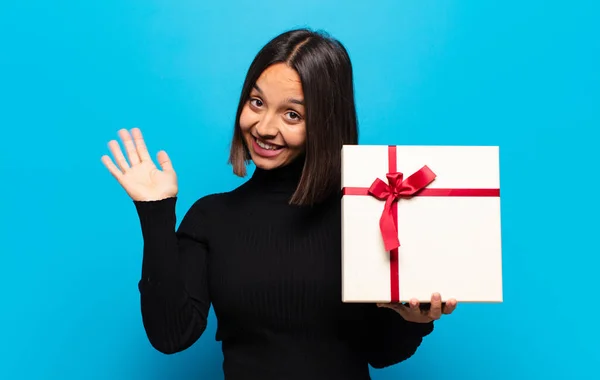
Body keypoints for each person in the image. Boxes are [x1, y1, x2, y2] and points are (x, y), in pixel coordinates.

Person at [101, 28, 457, 380]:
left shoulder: (368, 214)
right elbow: (171, 336)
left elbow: (380, 353)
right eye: (256, 102)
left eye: (292, 115)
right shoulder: (210, 217)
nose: (264, 128)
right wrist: (155, 212)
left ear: (326, 123)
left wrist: (414, 322)